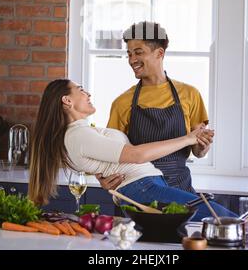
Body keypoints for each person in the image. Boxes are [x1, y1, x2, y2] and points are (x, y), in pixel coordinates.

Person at [28, 78, 236, 222]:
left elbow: (106, 162)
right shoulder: (78, 135)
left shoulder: (81, 133)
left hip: (147, 187)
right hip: (143, 189)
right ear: (67, 100)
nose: (88, 93)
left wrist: (196, 142)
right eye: (80, 89)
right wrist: (188, 138)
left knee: (215, 223)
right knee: (227, 221)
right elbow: (135, 155)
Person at [97, 21, 212, 194]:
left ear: (159, 53)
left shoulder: (190, 94)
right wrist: (104, 180)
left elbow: (198, 151)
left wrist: (203, 146)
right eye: (129, 54)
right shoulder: (122, 102)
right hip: (139, 194)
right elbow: (110, 156)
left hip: (181, 189)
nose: (131, 60)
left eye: (138, 53)